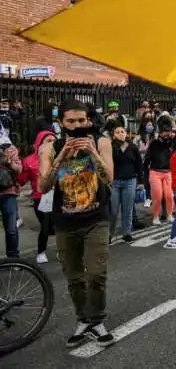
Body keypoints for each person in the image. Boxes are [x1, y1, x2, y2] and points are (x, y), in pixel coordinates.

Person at [38, 99, 116, 347]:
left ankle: (97, 319)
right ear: (61, 122)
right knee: (73, 277)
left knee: (95, 274)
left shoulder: (102, 142)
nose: (77, 125)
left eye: (81, 120)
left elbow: (109, 178)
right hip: (65, 223)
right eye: (70, 121)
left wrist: (92, 152)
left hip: (96, 219)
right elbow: (43, 186)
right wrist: (61, 155)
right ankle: (84, 319)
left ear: (88, 121)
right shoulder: (49, 148)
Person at [16, 130, 57, 263]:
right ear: (39, 143)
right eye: (48, 141)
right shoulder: (30, 160)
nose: (52, 144)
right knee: (45, 225)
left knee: (61, 225)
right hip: (41, 197)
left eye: (53, 141)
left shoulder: (61, 157)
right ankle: (41, 252)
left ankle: (62, 250)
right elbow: (21, 180)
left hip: (59, 195)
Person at [109, 125, 143, 243]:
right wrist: (120, 145)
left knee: (127, 209)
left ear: (126, 134)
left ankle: (126, 233)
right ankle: (109, 234)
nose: (120, 134)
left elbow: (139, 164)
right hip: (114, 182)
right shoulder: (111, 147)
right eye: (117, 132)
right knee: (113, 210)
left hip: (130, 181)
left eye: (122, 131)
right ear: (113, 135)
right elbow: (113, 159)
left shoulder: (133, 147)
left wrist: (141, 181)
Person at [0, 135, 22, 258]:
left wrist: (8, 161)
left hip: (8, 192)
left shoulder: (9, 147)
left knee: (11, 229)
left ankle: (13, 257)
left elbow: (19, 169)